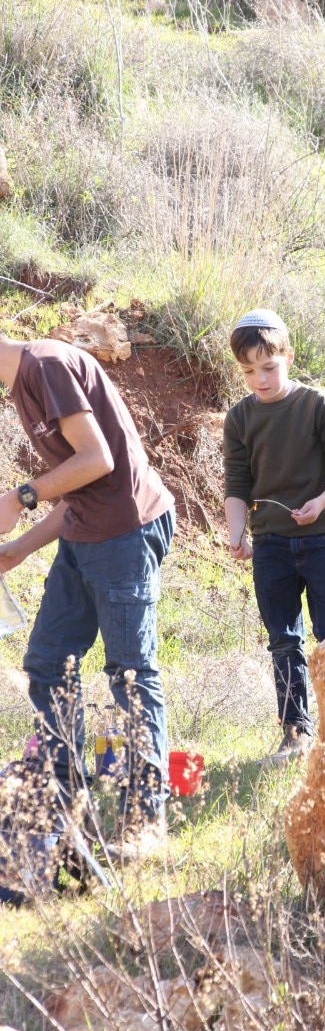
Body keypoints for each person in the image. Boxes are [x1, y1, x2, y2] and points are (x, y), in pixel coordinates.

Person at [0, 332, 176, 861]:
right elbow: (77, 489)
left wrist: (19, 496)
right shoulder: (24, 383)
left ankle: (146, 818)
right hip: (86, 533)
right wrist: (16, 552)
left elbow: (97, 459)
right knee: (49, 663)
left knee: (128, 670)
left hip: (125, 531)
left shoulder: (46, 365)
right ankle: (59, 799)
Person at [223, 309, 325, 765]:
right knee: (283, 639)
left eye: (268, 367)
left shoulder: (317, 404)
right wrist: (236, 533)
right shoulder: (239, 418)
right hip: (271, 546)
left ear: (289, 357)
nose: (259, 379)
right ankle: (295, 734)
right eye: (247, 371)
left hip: (320, 539)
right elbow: (237, 486)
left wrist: (320, 503)